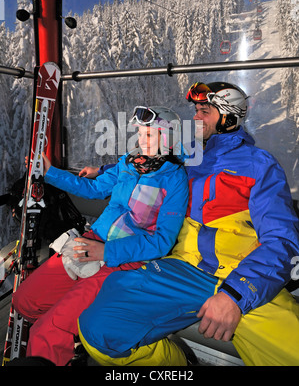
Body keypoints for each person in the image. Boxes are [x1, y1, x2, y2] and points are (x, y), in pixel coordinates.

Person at [77, 81, 299, 367]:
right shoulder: (187, 154)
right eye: (195, 110)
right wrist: (104, 171)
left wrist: (235, 295)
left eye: (204, 111)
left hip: (240, 276)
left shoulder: (260, 165)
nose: (195, 117)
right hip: (182, 268)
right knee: (99, 331)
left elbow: (282, 239)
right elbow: (147, 161)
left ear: (228, 116)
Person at [12, 106, 189, 366]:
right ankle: (73, 334)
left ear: (169, 138)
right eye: (139, 133)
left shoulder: (175, 180)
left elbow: (161, 241)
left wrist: (106, 253)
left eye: (149, 135)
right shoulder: (129, 163)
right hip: (91, 242)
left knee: (46, 335)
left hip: (124, 260)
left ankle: (61, 338)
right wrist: (50, 172)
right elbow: (94, 188)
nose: (141, 140)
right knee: (24, 301)